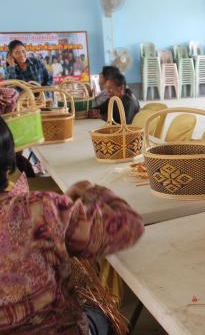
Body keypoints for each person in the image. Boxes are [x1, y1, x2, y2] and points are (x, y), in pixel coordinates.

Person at [0, 115, 144, 334]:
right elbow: (128, 227)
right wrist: (92, 193)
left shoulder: (44, 210)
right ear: (8, 160)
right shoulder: (41, 210)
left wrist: (60, 211)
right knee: (99, 312)